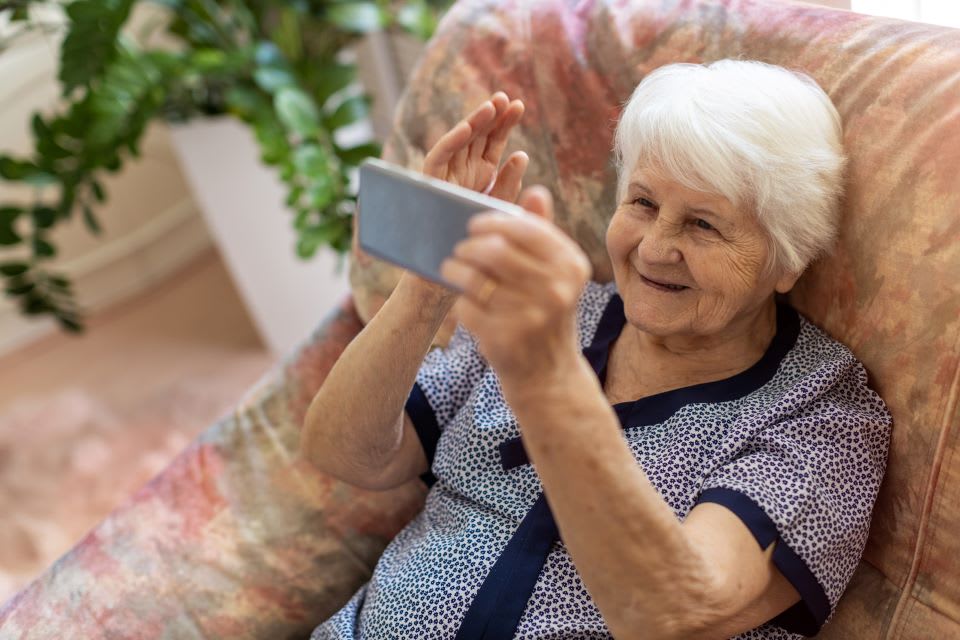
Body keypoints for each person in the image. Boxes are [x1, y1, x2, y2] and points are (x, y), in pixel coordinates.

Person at [300, 59, 892, 640]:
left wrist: (546, 374)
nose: (654, 249)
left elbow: (675, 614)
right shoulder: (554, 307)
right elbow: (349, 454)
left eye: (703, 225)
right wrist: (430, 280)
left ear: (787, 259)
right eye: (643, 203)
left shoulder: (824, 415)